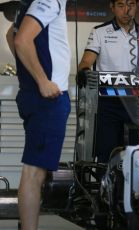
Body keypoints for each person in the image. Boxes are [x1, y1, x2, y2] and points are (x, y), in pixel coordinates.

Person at [77, 0, 139, 163]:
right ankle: (105, 187)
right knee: (106, 152)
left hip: (134, 103)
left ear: (136, 6)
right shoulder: (99, 32)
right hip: (106, 103)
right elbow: (86, 62)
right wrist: (84, 71)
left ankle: (129, 188)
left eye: (131, 5)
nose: (126, 10)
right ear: (112, 7)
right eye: (121, 5)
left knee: (133, 153)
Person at [6, 0, 71, 229]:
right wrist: (42, 81)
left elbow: (9, 35)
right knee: (33, 172)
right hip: (48, 99)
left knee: (36, 171)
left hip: (39, 96)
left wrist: (30, 74)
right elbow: (21, 40)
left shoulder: (32, 2)